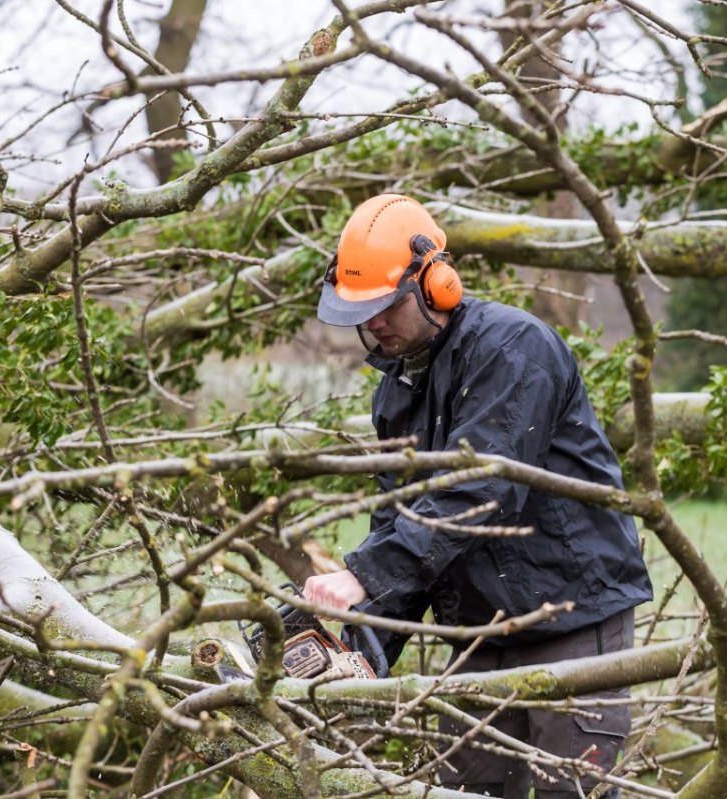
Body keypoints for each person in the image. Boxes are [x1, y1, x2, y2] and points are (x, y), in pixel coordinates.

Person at [303, 194, 653, 799]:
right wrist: (354, 643)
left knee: (567, 790)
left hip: (568, 616)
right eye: (362, 310)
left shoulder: (514, 351)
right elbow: (401, 522)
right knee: (465, 792)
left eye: (386, 305)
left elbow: (478, 491)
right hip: (478, 632)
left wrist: (361, 576)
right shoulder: (396, 392)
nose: (375, 323)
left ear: (435, 282)